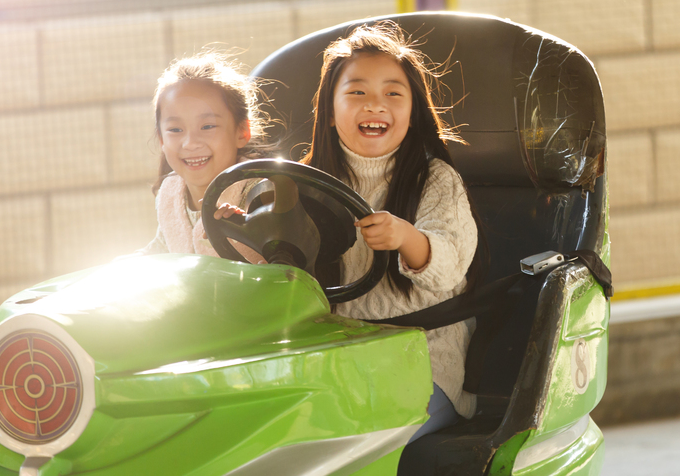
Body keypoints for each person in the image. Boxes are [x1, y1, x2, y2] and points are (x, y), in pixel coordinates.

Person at [302, 22, 483, 439]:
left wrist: (407, 238)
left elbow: (450, 267)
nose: (374, 105)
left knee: (359, 440)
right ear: (329, 112)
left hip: (422, 358)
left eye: (392, 94)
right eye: (357, 92)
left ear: (413, 113)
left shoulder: (435, 180)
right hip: (332, 360)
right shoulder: (301, 184)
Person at [138, 51, 269, 261]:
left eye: (207, 126)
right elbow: (162, 249)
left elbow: (283, 259)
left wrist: (247, 229)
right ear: (161, 139)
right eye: (175, 130)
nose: (190, 143)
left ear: (242, 131)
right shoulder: (171, 195)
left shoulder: (262, 191)